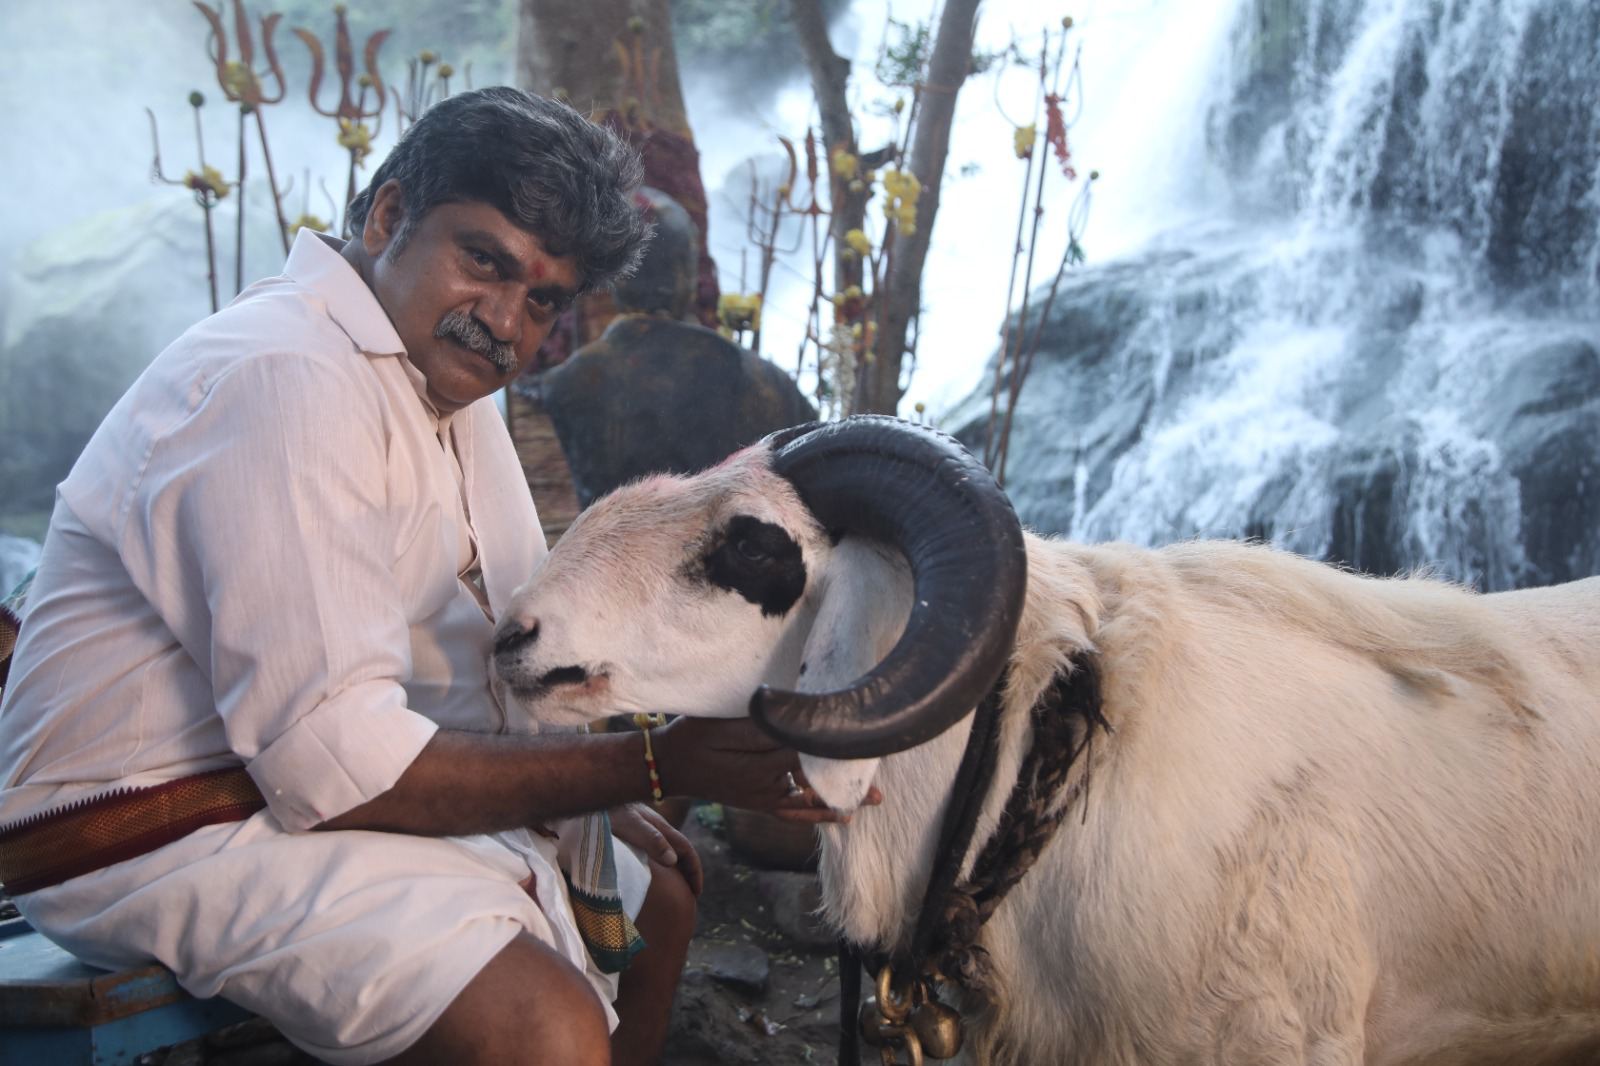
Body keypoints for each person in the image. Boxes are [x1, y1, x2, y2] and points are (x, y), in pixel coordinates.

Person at [0, 87, 854, 1066]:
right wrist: (655, 765)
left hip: (273, 778)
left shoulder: (433, 380)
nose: (505, 322)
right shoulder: (284, 376)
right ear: (388, 217)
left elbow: (464, 657)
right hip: (144, 822)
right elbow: (337, 767)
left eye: (543, 300)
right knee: (540, 1025)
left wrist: (586, 791)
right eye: (483, 261)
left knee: (660, 892)